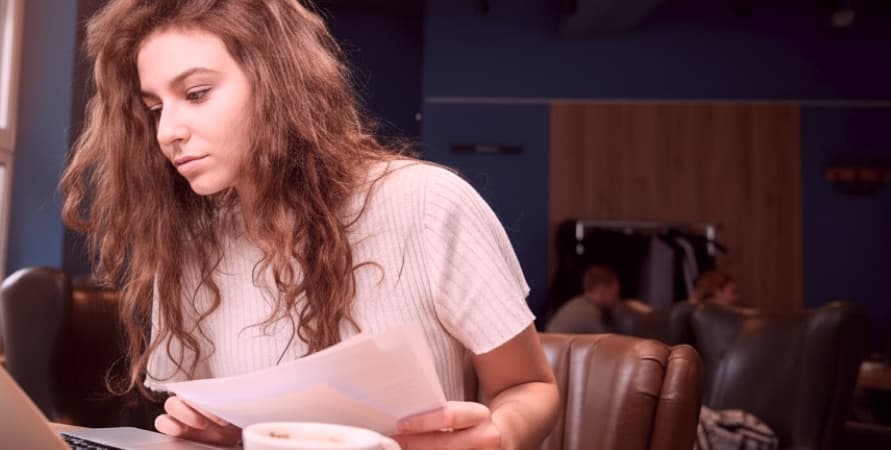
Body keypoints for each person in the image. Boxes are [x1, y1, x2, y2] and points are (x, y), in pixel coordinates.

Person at [59, 1, 559, 448]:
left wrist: (502, 435)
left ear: (277, 81)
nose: (168, 132)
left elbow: (529, 388)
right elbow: (220, 426)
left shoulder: (427, 205)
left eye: (196, 93)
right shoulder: (190, 245)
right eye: (154, 108)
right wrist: (230, 436)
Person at [545, 265, 627, 334]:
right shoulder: (590, 314)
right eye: (615, 294)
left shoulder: (576, 303)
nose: (617, 300)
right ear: (601, 290)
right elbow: (609, 344)